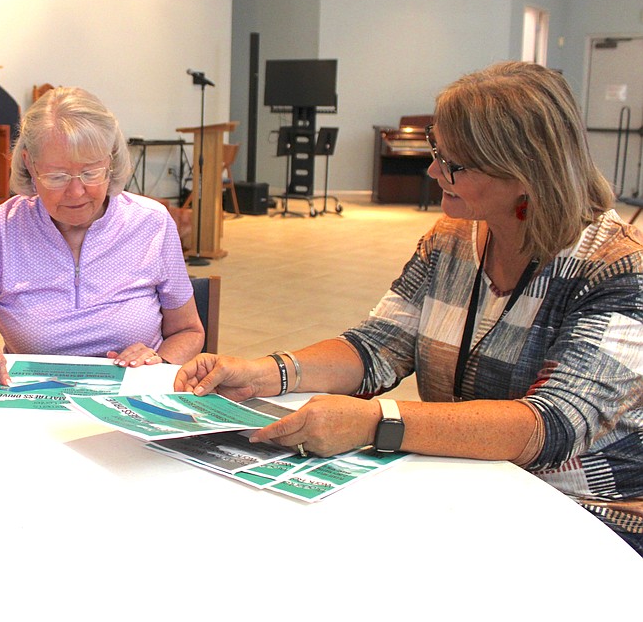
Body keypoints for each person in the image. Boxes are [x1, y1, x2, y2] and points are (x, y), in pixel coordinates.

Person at [175, 61, 643, 555]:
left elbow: (552, 426)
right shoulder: (452, 239)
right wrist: (266, 372)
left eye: (454, 164)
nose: (433, 170)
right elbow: (378, 345)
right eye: (437, 152)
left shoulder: (617, 269)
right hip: (468, 484)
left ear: (525, 173)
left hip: (587, 515)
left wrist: (378, 422)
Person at [0, 86, 204, 384]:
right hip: (37, 402)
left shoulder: (151, 223)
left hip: (129, 401)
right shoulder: (2, 230)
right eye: (57, 176)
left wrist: (159, 361)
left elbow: (188, 331)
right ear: (30, 164)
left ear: (110, 161)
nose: (76, 191)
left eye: (91, 172)